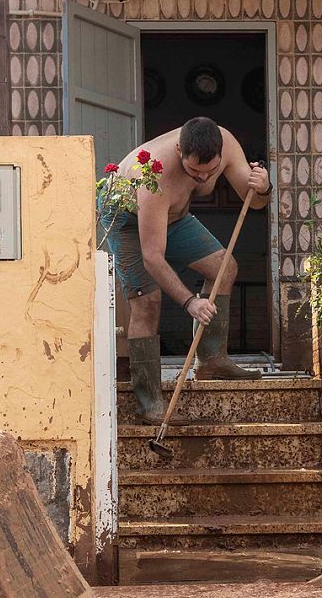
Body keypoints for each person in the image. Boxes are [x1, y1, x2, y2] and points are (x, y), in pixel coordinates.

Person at [102, 116, 271, 424]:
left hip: (175, 216)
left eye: (210, 171)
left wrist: (264, 187)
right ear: (180, 150)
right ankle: (149, 402)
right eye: (194, 170)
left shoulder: (227, 144)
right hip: (127, 219)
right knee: (147, 303)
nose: (202, 177)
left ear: (220, 152)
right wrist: (190, 302)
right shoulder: (152, 173)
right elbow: (153, 257)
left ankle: (211, 359)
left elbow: (255, 202)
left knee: (224, 267)